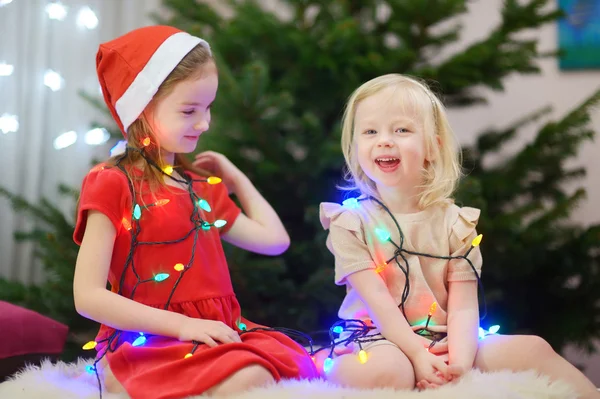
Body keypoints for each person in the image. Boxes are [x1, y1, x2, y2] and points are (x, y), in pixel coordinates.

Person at [73, 25, 317, 399]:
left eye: (208, 108)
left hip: (216, 333)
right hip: (148, 342)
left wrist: (237, 181)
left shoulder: (200, 188)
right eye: (189, 110)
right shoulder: (113, 182)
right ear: (142, 107)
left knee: (294, 364)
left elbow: (275, 242)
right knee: (251, 377)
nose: (204, 123)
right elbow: (87, 296)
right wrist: (182, 326)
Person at [319, 73, 599, 397]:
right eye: (370, 131)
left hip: (449, 336)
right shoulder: (350, 222)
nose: (384, 140)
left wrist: (460, 364)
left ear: (432, 148)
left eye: (402, 130)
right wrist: (416, 355)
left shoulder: (456, 223)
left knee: (532, 349)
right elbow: (378, 302)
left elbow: (464, 306)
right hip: (377, 337)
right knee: (386, 371)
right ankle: (339, 363)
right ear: (355, 148)